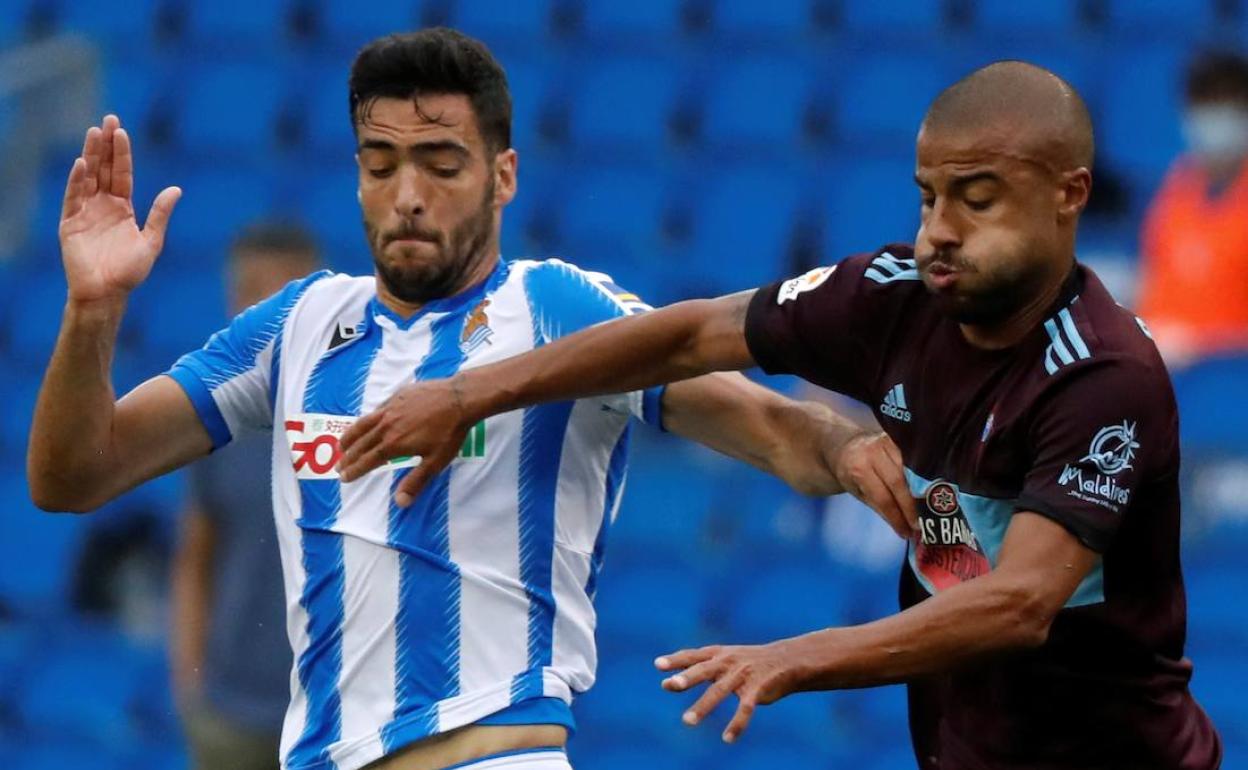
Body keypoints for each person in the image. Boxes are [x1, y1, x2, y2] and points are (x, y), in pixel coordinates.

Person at [27, 28, 914, 770]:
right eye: (380, 165)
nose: (406, 197)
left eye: (440, 164)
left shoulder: (556, 308)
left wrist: (841, 448)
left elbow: (767, 426)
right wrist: (92, 311)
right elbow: (73, 475)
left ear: (504, 175)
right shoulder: (296, 325)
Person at [336, 61, 1222, 769]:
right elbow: (689, 335)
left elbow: (1020, 604)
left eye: (977, 199)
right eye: (927, 197)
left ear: (1068, 195)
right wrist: (470, 392)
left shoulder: (1102, 377)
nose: (938, 231)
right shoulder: (894, 299)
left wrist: (791, 658)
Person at [171, 223, 320, 770]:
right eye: (259, 291)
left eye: (292, 294)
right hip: (230, 714)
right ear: (235, 301)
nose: (275, 314)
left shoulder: (365, 411)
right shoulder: (215, 424)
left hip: (337, 713)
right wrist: (189, 679)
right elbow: (195, 556)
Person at [1136, 49, 1248, 366]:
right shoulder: (1178, 185)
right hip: (1165, 375)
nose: (1214, 120)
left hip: (1231, 386)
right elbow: (1155, 280)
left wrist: (1201, 346)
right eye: (1204, 104)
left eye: (1225, 103)